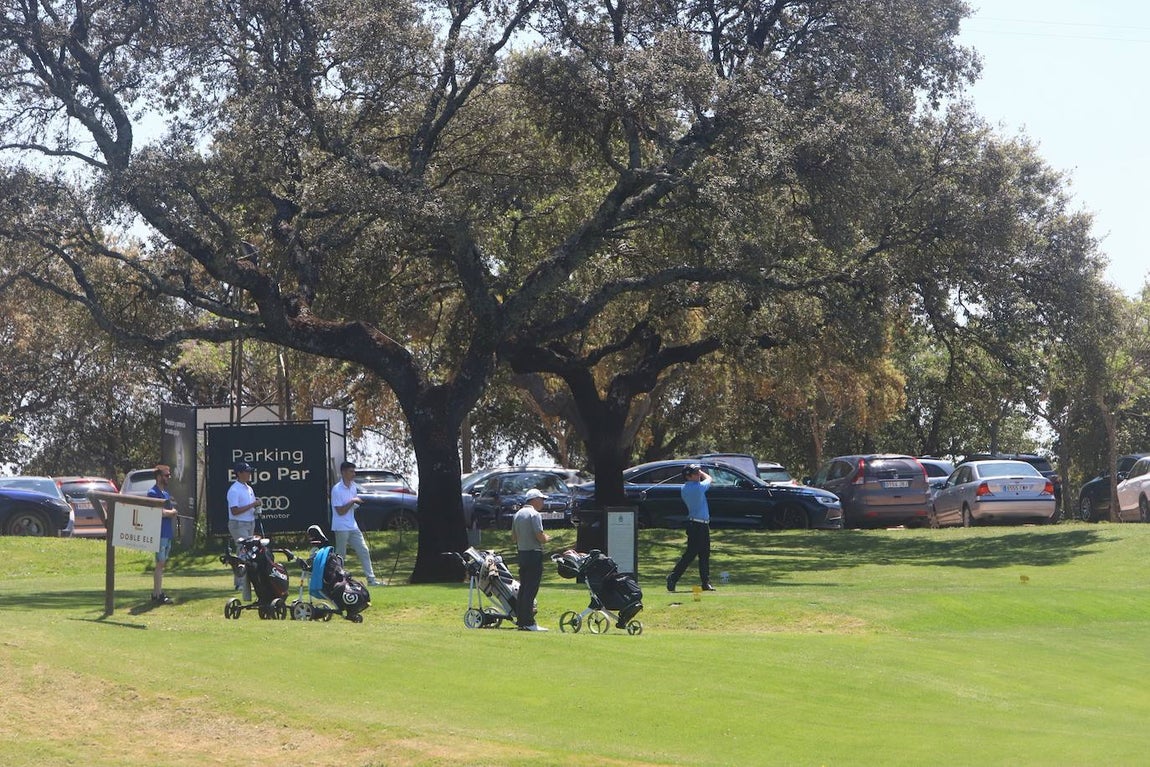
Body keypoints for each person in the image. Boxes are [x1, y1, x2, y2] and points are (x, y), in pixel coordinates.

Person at [330, 460, 383, 586]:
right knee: (341, 555)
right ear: (343, 472)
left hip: (353, 525)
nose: (353, 474)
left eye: (354, 471)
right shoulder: (336, 490)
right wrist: (353, 501)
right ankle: (338, 580)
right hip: (341, 526)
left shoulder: (353, 486)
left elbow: (350, 507)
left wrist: (355, 504)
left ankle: (371, 579)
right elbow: (340, 511)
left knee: (363, 550)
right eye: (351, 471)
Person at [667, 464, 716, 593]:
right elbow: (710, 478)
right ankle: (673, 577)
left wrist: (698, 472)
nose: (698, 475)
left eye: (698, 472)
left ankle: (705, 582)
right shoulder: (697, 488)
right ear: (688, 476)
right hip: (696, 526)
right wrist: (703, 473)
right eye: (695, 473)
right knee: (690, 555)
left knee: (704, 554)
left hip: (702, 525)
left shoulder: (685, 488)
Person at [510, 488, 550, 631]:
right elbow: (540, 536)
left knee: (524, 588)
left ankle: (522, 621)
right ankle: (528, 622)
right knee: (531, 589)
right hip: (534, 553)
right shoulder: (534, 514)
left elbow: (514, 537)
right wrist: (547, 538)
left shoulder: (517, 514)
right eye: (542, 499)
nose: (543, 502)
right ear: (534, 500)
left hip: (522, 554)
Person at [226, 460, 262, 598]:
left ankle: (246, 580)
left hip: (249, 522)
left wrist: (255, 507)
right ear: (239, 473)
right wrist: (253, 504)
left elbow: (249, 506)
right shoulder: (234, 490)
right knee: (243, 551)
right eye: (247, 472)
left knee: (247, 552)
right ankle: (240, 582)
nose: (249, 474)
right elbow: (234, 511)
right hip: (238, 524)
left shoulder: (248, 488)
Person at [147, 464, 179, 605]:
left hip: (167, 533)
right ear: (159, 476)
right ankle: (157, 594)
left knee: (162, 563)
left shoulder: (165, 494)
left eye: (169, 475)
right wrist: (172, 513)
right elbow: (157, 512)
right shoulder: (153, 493)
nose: (168, 478)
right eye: (166, 475)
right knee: (160, 563)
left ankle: (157, 592)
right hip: (158, 533)